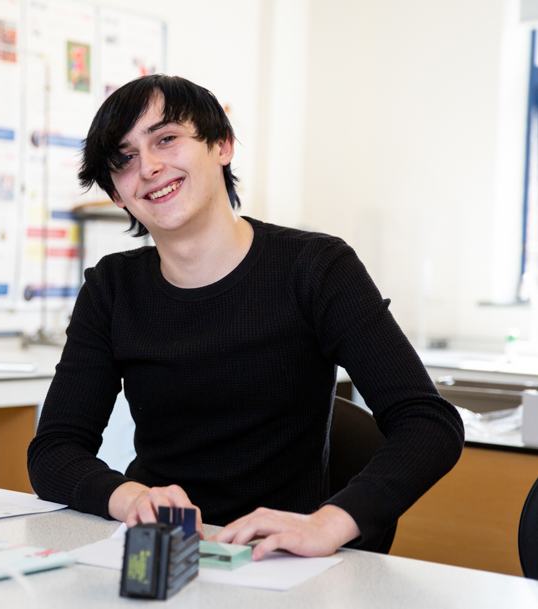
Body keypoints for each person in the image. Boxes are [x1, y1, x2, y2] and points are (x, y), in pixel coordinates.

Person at [26, 75, 464, 560]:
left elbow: (428, 423)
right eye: (124, 159)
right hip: (163, 552)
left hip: (278, 559)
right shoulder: (111, 288)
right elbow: (54, 450)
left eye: (166, 139)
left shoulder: (316, 268)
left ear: (222, 145)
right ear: (116, 194)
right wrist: (129, 498)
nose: (148, 167)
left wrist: (331, 523)